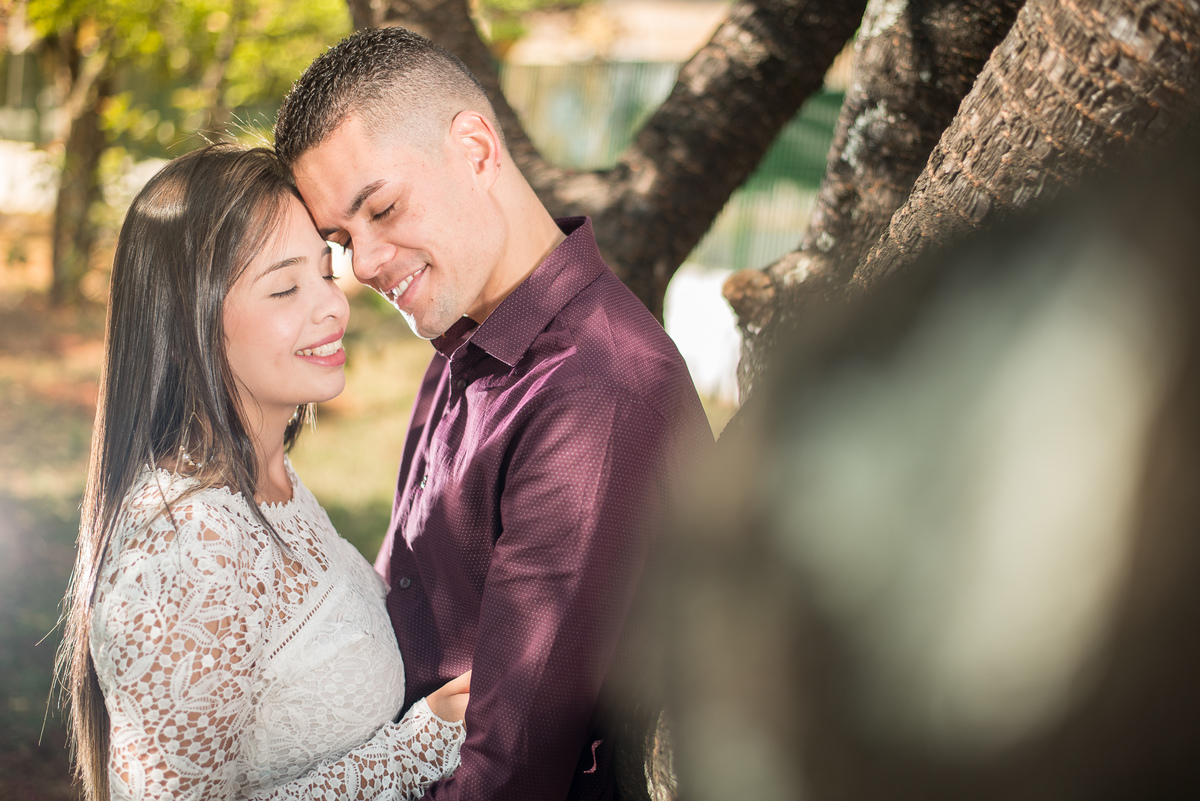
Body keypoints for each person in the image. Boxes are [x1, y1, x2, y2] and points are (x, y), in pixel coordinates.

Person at [273, 26, 714, 801]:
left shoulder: (596, 392)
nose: (364, 264)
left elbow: (506, 778)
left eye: (383, 208)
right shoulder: (465, 338)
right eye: (341, 239)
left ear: (476, 150)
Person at [59, 144, 472, 801]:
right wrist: (414, 749)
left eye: (326, 272)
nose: (334, 307)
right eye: (284, 288)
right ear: (191, 323)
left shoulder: (271, 478)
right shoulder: (187, 543)